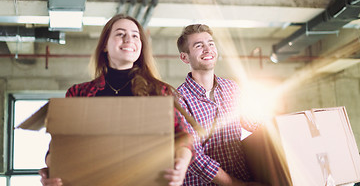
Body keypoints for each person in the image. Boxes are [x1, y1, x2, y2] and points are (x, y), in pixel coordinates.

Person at [39, 14, 193, 186]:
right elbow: (59, 146)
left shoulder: (159, 92)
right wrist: (54, 171)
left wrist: (181, 166)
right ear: (105, 45)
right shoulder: (79, 93)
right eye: (120, 34)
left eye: (135, 35)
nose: (129, 39)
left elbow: (183, 137)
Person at [176, 24, 266, 186]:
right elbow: (194, 156)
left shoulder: (232, 88)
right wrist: (237, 185)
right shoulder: (179, 100)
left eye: (210, 43)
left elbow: (254, 124)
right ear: (184, 57)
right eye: (199, 45)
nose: (208, 49)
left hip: (241, 175)